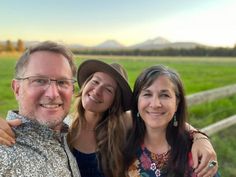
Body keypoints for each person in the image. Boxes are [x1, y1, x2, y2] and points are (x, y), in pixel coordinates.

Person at [0, 60, 218, 177]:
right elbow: (28, 125)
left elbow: (160, 117)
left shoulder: (123, 124)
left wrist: (199, 137)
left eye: (108, 89)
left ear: (114, 101)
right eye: (94, 82)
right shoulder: (63, 126)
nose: (97, 91)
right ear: (84, 85)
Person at [0, 41, 81, 176]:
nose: (53, 94)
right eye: (39, 80)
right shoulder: (5, 153)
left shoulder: (69, 132)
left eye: (62, 82)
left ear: (72, 89)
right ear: (17, 88)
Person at [124, 65, 219, 177]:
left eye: (164, 95)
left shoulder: (195, 151)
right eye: (147, 94)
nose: (155, 104)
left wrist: (211, 164)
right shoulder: (123, 142)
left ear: (177, 103)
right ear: (137, 101)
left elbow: (212, 166)